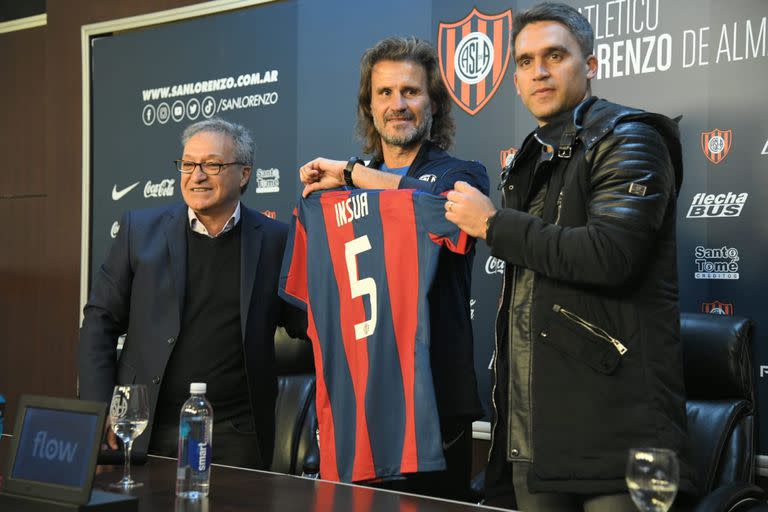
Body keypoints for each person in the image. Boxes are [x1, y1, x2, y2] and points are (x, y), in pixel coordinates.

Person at [443, 3, 693, 510]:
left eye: (554, 55)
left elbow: (610, 254)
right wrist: (356, 174)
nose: (538, 71)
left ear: (591, 64)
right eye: (525, 60)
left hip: (617, 437)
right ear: (514, 77)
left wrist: (493, 224)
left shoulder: (631, 137)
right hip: (537, 434)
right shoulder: (535, 155)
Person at [299, 36, 488, 501]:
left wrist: (350, 174)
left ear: (434, 103)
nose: (397, 104)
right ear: (369, 106)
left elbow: (436, 208)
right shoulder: (335, 195)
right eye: (385, 93)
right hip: (361, 402)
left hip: (436, 401)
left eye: (411, 91)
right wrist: (332, 190)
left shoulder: (462, 174)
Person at [78, 118, 306, 470]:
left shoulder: (277, 240)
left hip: (235, 434)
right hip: (144, 425)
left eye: (212, 164)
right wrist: (98, 410)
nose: (196, 175)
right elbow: (98, 322)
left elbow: (308, 322)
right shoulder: (138, 231)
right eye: (188, 164)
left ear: (244, 174)